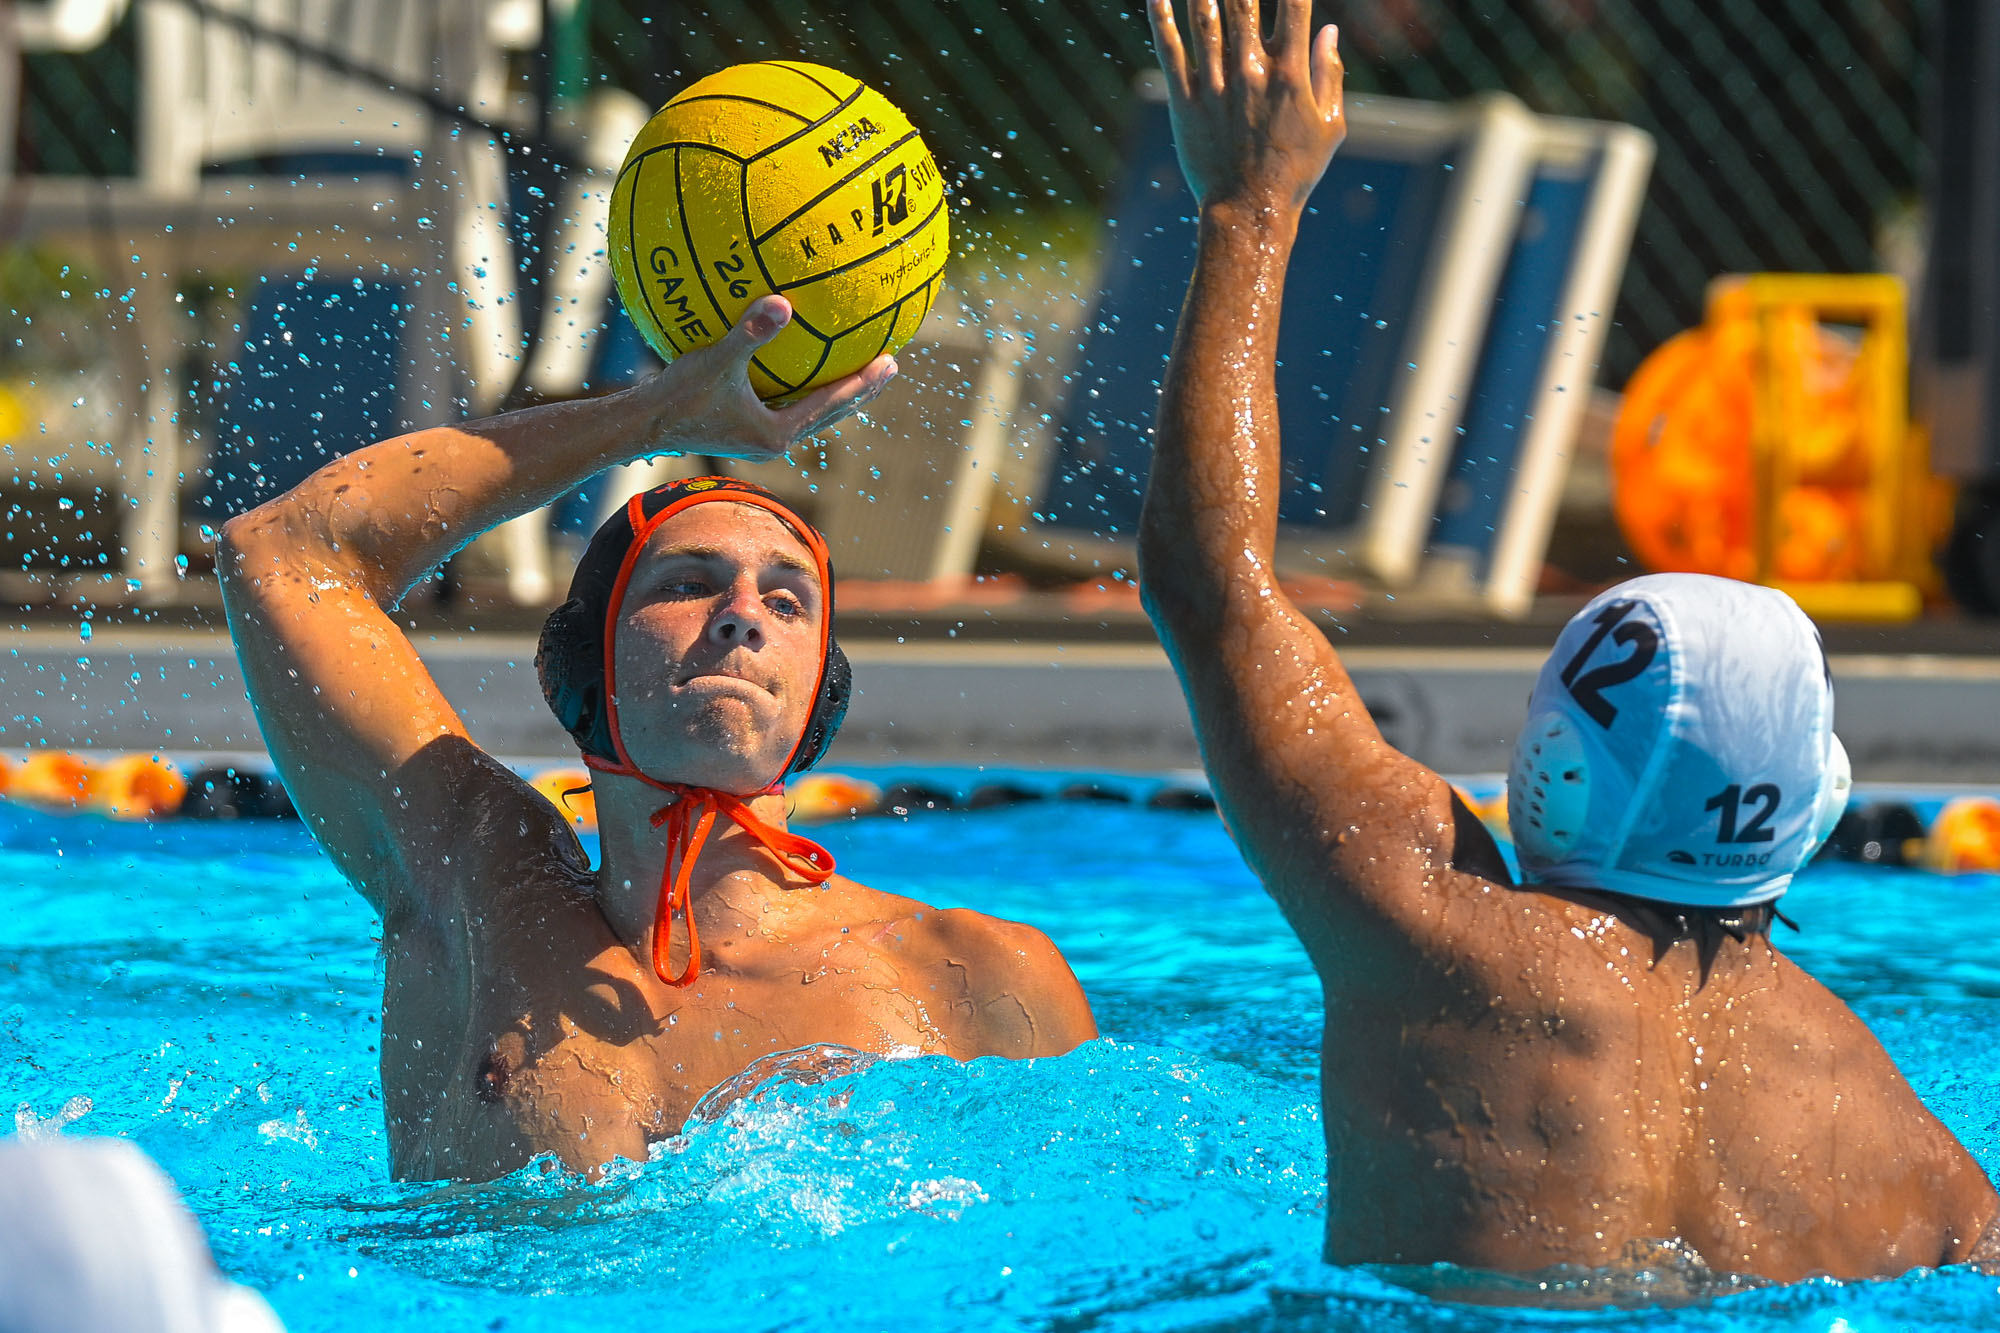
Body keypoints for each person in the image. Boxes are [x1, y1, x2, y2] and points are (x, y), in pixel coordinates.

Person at [1136, 0, 1999, 1281]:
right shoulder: (1913, 1158)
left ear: (1549, 770)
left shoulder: (1431, 929)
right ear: (1812, 807)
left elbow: (1211, 593)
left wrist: (1247, 210)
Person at [218, 299, 1096, 1182]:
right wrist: (647, 420)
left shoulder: (976, 977)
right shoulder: (478, 889)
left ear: (821, 691)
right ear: (583, 660)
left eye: (787, 600)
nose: (743, 617)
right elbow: (283, 550)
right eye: (686, 584)